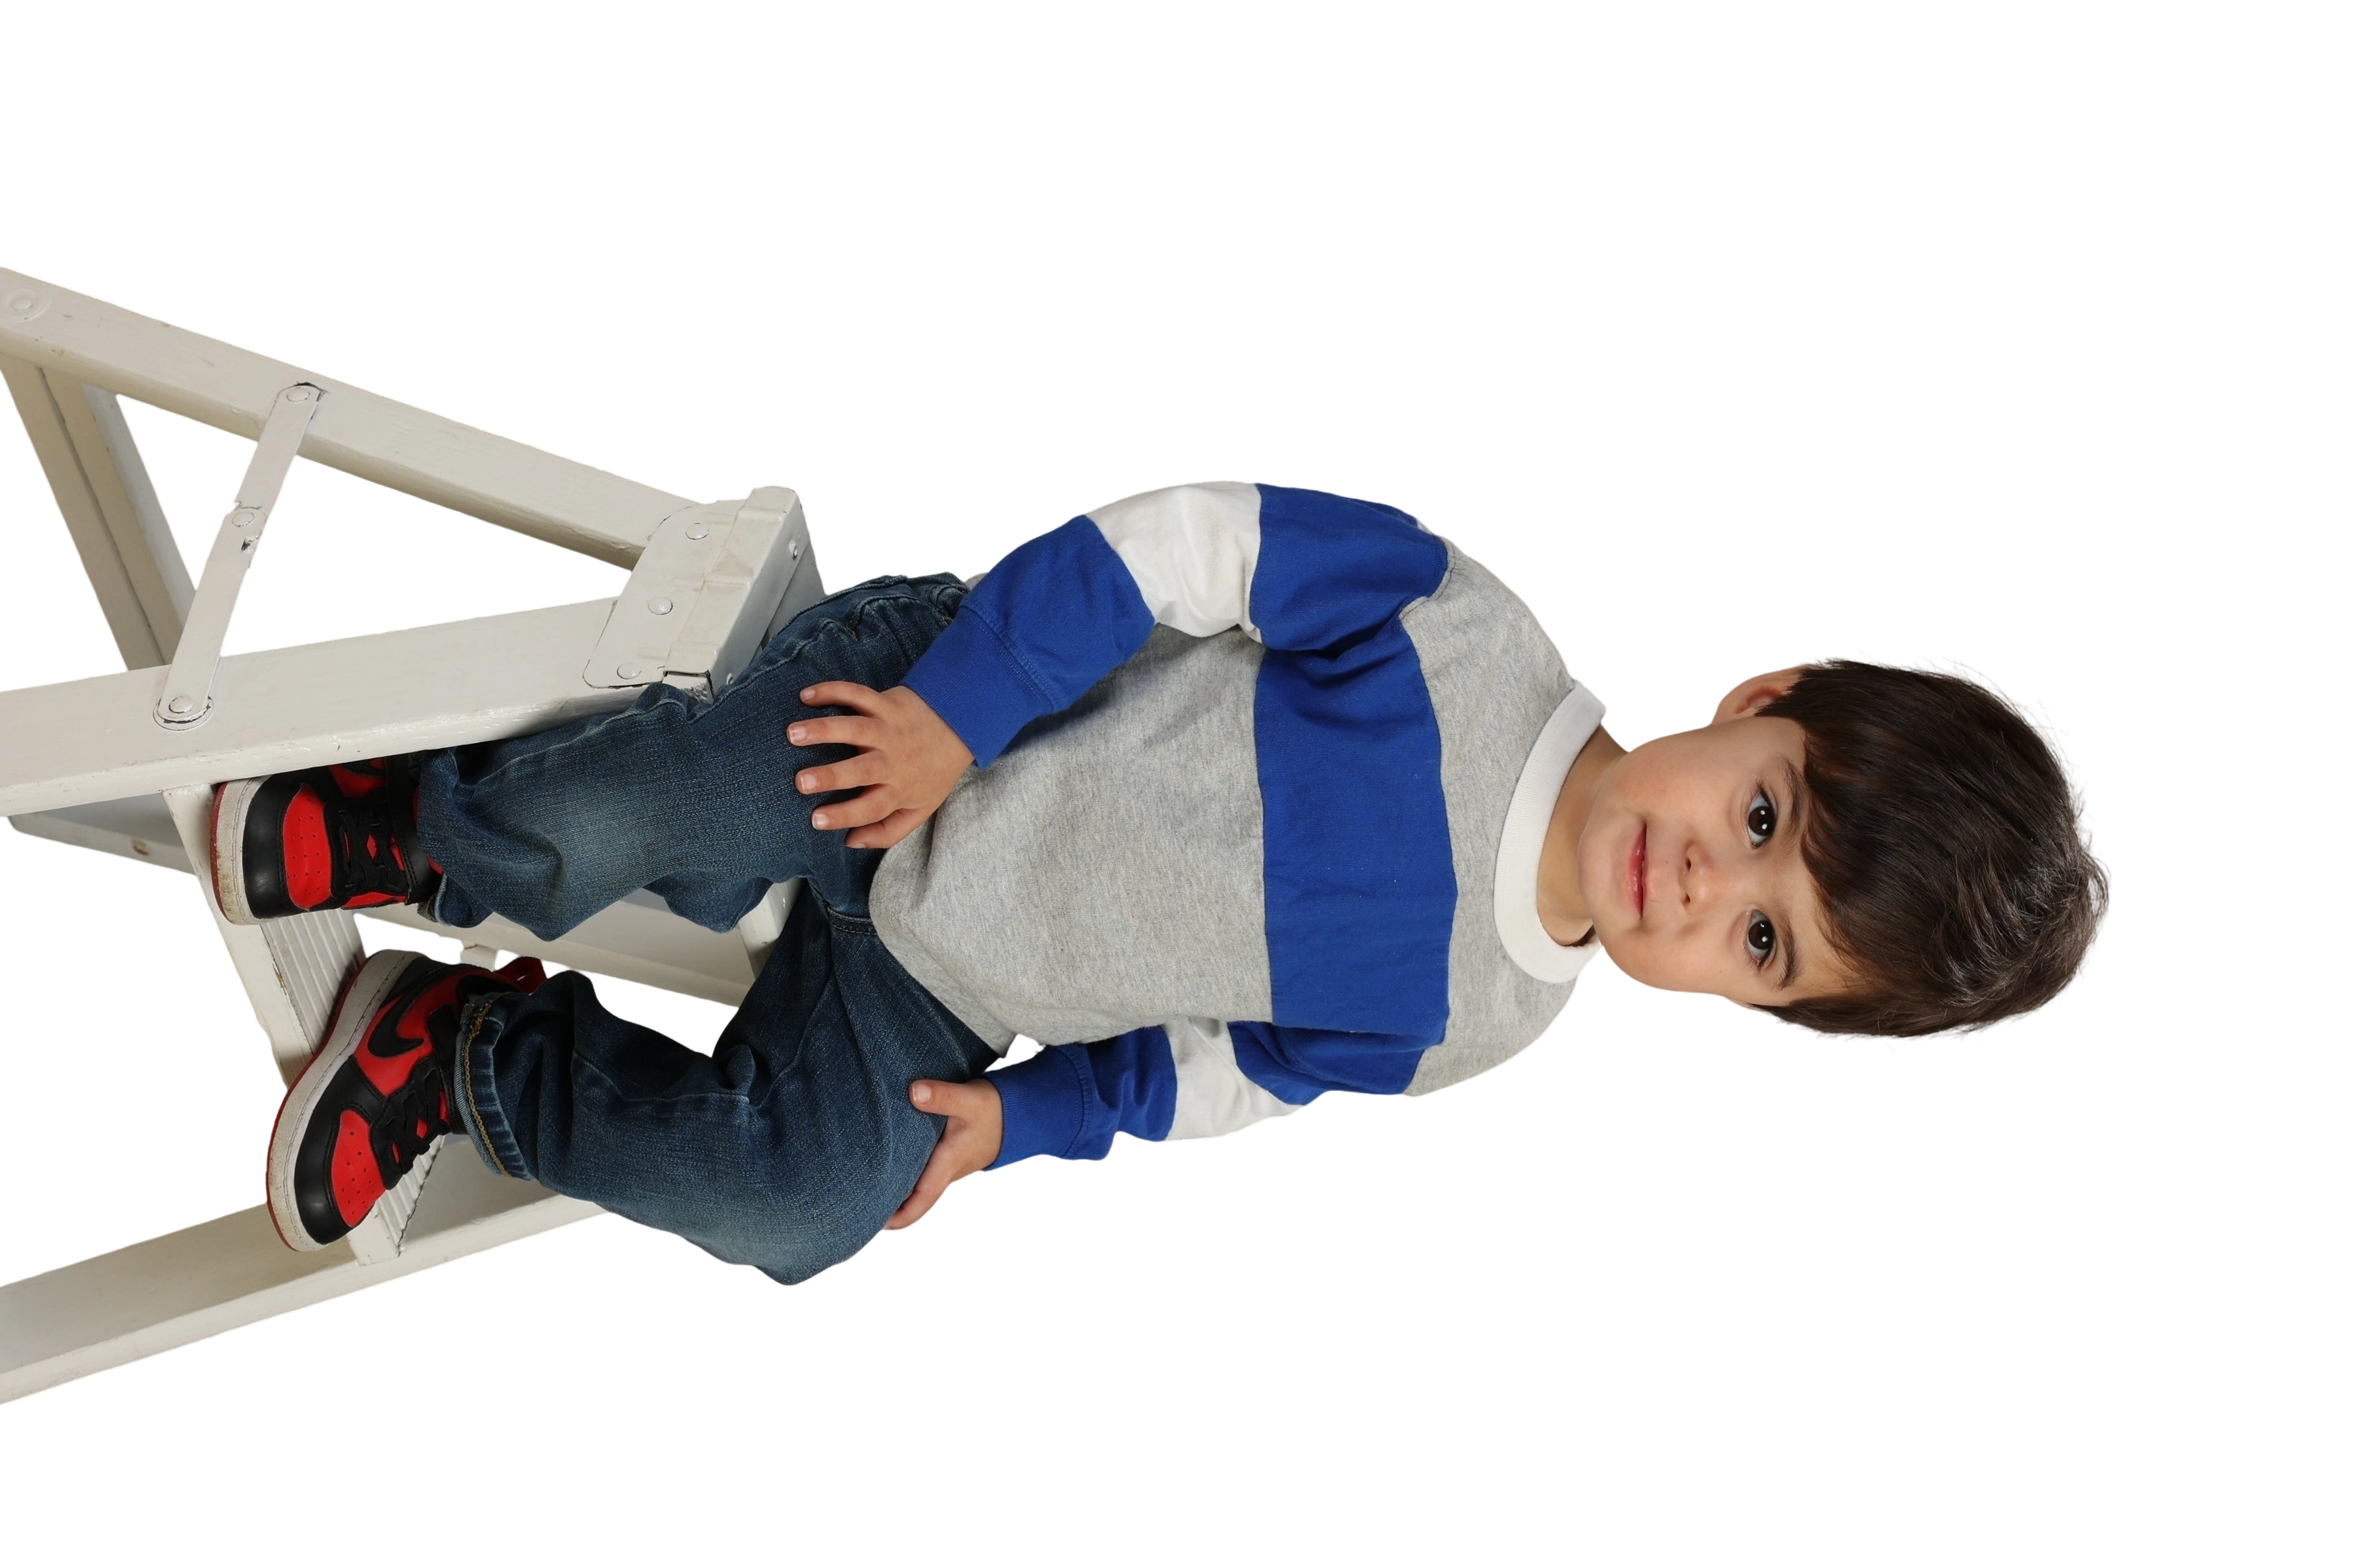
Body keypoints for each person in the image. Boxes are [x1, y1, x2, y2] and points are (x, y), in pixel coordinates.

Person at [209, 481, 2114, 1283]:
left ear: (1755, 1001)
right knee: (669, 808)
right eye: (1765, 815)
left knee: (798, 1207)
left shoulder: (1476, 1022)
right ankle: (433, 825)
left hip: (942, 983)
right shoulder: (1456, 631)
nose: (1702, 882)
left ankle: (471, 1051)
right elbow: (1179, 546)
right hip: (931, 733)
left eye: (1764, 940)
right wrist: (956, 713)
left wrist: (1031, 1119)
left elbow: (1240, 1070)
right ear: (1763, 703)